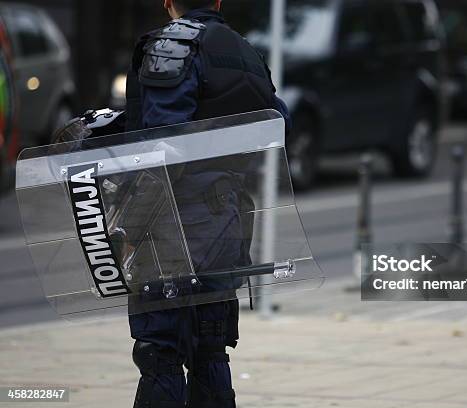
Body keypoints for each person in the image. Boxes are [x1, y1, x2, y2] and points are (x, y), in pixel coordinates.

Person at [125, 1, 291, 407]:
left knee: (160, 353)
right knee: (210, 351)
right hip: (228, 222)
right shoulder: (244, 52)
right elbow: (277, 120)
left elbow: (162, 151)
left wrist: (129, 230)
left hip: (173, 227)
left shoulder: (174, 45)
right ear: (218, 1)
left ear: (169, 2)